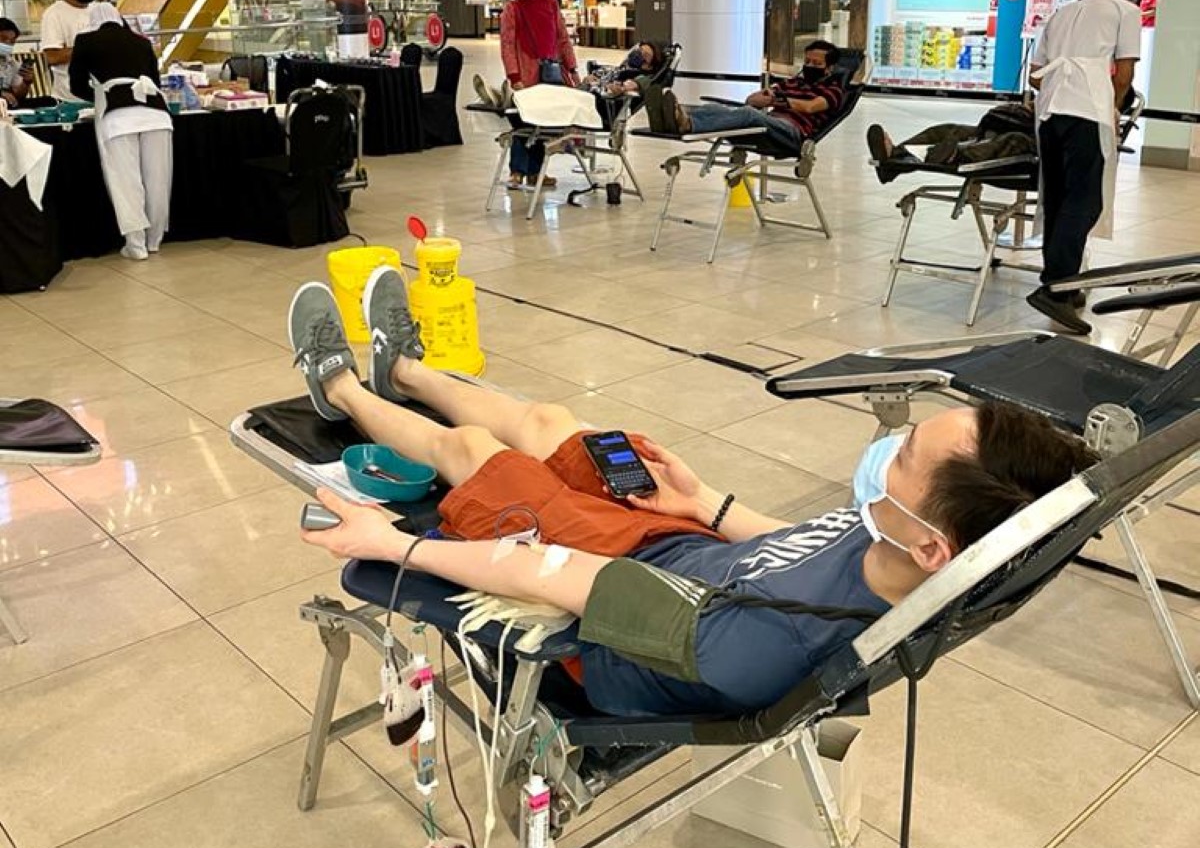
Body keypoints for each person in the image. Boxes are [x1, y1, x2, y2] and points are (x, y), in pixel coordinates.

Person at [288, 269, 1092, 718]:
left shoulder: (755, 646)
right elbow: (802, 546)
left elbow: (548, 575)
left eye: (907, 452)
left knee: (473, 452)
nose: (887, 447)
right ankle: (406, 368)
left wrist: (393, 544)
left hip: (619, 603)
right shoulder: (906, 559)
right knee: (553, 421)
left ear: (933, 545)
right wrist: (702, 503)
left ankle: (345, 389)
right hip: (680, 554)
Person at [1027, 0, 1142, 335]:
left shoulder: (1061, 12)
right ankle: (1056, 286)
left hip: (1049, 114)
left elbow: (1035, 76)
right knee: (1085, 200)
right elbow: (1124, 74)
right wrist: (1115, 109)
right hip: (1088, 110)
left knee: (1058, 197)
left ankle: (1066, 284)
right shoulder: (1127, 10)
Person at [69, 2, 173, 261]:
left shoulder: (85, 40)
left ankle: (135, 244)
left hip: (118, 116)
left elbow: (76, 84)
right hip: (156, 113)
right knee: (158, 179)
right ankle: (154, 240)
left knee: (126, 182)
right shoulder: (141, 41)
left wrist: (100, 95)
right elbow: (155, 81)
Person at [645, 40, 844, 153]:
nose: (810, 67)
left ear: (830, 68)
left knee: (748, 114)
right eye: (807, 61)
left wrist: (779, 100)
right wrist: (763, 98)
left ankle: (687, 124)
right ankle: (674, 115)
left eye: (816, 64)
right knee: (718, 109)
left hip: (793, 133)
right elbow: (752, 100)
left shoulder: (833, 89)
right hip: (769, 125)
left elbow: (811, 107)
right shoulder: (794, 82)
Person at [499, 0, 578, 191]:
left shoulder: (551, 5)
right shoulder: (512, 9)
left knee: (543, 123)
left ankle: (536, 171)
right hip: (525, 74)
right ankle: (517, 171)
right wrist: (514, 76)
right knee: (523, 122)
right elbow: (507, 44)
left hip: (550, 72)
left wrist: (572, 69)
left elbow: (563, 39)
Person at [866, 104, 1035, 183]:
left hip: (1038, 146)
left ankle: (957, 155)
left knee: (1015, 140)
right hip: (1025, 125)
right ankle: (895, 157)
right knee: (949, 131)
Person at [39, 0, 104, 100]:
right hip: (70, 97)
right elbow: (52, 56)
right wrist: (89, 48)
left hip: (101, 92)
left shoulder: (99, 10)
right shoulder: (54, 14)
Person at [0, 18, 32, 107]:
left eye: (12, 41)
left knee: (48, 100)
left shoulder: (12, 64)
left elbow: (18, 97)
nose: (7, 43)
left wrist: (26, 82)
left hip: (7, 107)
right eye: (3, 39)